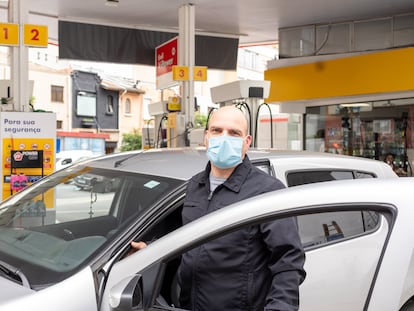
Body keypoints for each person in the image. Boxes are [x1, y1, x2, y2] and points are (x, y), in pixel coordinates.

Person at [132, 105, 306, 311]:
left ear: (246, 142)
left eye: (234, 133)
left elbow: (288, 262)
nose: (224, 138)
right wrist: (150, 250)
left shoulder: (267, 192)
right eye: (217, 131)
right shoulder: (194, 186)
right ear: (206, 137)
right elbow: (186, 244)